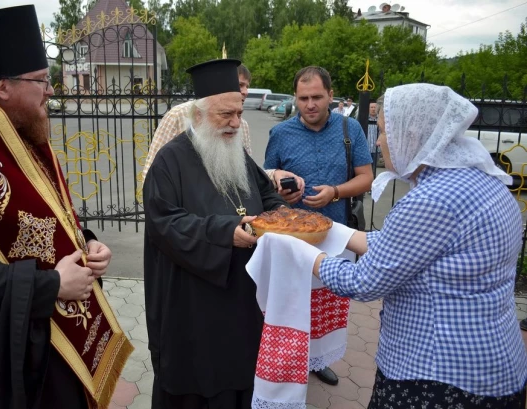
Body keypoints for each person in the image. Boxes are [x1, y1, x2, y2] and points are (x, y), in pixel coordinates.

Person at [0, 6, 132, 409]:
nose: (50, 91)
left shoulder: (24, 139)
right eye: (41, 81)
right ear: (2, 87)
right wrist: (50, 286)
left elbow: (47, 221)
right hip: (17, 366)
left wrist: (87, 243)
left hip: (58, 350)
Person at [308, 83, 527, 408]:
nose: (379, 142)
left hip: (437, 377)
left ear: (410, 133)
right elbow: (407, 248)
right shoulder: (486, 179)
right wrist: (330, 229)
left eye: (383, 132)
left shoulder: (431, 200)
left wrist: (305, 253)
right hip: (495, 364)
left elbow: (362, 282)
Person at [143, 58, 287, 409]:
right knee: (197, 386)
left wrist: (282, 215)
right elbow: (165, 225)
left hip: (241, 302)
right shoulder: (169, 162)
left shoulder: (235, 149)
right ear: (198, 116)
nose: (236, 123)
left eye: (239, 113)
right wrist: (226, 232)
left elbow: (265, 193)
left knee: (240, 378)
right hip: (192, 309)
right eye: (226, 115)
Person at [264, 66, 373, 385]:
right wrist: (284, 187)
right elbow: (267, 180)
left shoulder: (349, 129)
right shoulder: (281, 133)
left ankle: (316, 359)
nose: (310, 104)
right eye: (303, 98)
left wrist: (335, 192)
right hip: (292, 238)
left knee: (325, 307)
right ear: (295, 98)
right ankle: (286, 364)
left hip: (334, 236)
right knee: (289, 304)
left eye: (317, 97)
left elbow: (366, 178)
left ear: (330, 95)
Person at [141, 64, 305, 205]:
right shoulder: (178, 115)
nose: (245, 92)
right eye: (240, 85)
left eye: (247, 86)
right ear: (199, 115)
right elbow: (153, 174)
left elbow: (244, 171)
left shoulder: (242, 125)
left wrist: (274, 175)